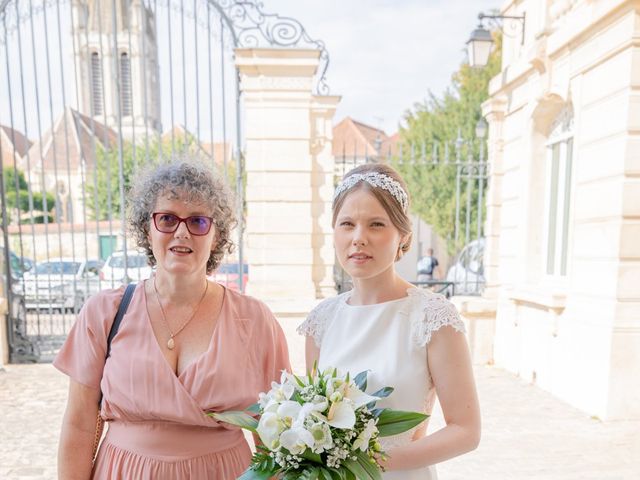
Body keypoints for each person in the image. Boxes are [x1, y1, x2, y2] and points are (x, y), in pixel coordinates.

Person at [54, 160, 290, 479]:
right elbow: (80, 423)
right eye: (167, 218)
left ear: (216, 235)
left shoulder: (255, 319)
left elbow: (274, 431)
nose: (181, 232)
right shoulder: (104, 312)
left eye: (198, 221)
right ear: (147, 229)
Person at [298, 164, 480, 479]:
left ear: (403, 235)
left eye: (376, 224)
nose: (358, 238)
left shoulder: (433, 318)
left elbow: (466, 430)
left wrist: (370, 461)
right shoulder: (321, 322)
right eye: (347, 224)